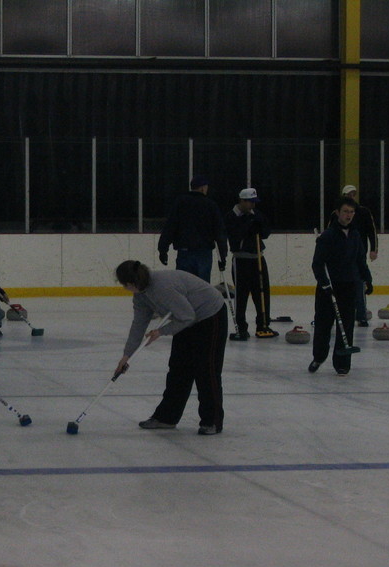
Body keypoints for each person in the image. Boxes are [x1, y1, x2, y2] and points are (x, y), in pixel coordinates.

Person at [115, 260, 228, 435]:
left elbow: (187, 316)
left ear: (132, 283)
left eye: (124, 285)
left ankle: (212, 420)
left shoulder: (162, 288)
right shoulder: (141, 295)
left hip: (209, 315)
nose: (124, 288)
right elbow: (138, 324)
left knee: (206, 369)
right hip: (184, 318)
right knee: (178, 368)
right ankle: (166, 417)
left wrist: (161, 331)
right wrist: (126, 356)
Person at [310, 199, 372, 376]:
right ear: (338, 213)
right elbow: (317, 264)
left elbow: (360, 260)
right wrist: (324, 283)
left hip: (349, 286)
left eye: (352, 212)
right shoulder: (327, 236)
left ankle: (342, 363)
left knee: (346, 325)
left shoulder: (355, 235)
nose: (349, 215)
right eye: (346, 211)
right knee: (323, 324)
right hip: (328, 288)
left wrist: (367, 278)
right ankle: (319, 357)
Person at [224, 188, 278, 339]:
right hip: (241, 260)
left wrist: (260, 226)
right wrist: (248, 225)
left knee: (262, 291)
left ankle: (263, 324)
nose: (253, 205)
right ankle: (241, 327)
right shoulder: (231, 216)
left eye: (254, 202)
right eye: (250, 202)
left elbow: (265, 232)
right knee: (241, 295)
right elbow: (235, 234)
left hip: (258, 258)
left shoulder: (256, 214)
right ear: (242, 201)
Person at [158, 175, 228, 283]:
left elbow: (170, 227)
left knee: (184, 286)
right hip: (204, 253)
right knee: (202, 288)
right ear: (202, 188)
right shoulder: (210, 205)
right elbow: (219, 232)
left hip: (184, 252)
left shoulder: (180, 203)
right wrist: (223, 256)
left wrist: (163, 249)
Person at [328, 185, 378, 326]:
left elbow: (371, 231)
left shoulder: (363, 212)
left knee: (358, 285)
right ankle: (332, 316)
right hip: (339, 257)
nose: (351, 197)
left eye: (353, 194)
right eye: (348, 195)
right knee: (336, 287)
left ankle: (361, 316)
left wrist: (374, 249)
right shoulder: (335, 214)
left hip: (358, 256)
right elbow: (329, 234)